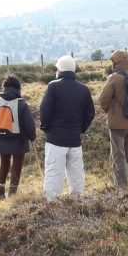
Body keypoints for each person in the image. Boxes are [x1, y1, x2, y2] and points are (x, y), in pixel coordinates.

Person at [40, 54, 95, 199]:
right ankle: (76, 202)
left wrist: (46, 128)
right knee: (76, 174)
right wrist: (81, 128)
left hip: (55, 140)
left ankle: (52, 204)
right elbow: (90, 113)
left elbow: (45, 111)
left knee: (54, 173)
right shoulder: (84, 89)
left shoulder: (53, 86)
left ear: (59, 70)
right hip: (75, 139)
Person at [98, 49, 128, 190]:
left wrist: (108, 110)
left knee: (118, 157)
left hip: (117, 125)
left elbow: (103, 99)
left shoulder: (114, 78)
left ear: (117, 62)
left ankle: (123, 189)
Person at [0, 74, 37, 199]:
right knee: (17, 166)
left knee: (4, 165)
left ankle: (1, 193)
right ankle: (13, 195)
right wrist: (32, 137)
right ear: (18, 88)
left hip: (1, 139)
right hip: (19, 140)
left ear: (5, 87)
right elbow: (29, 123)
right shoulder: (22, 104)